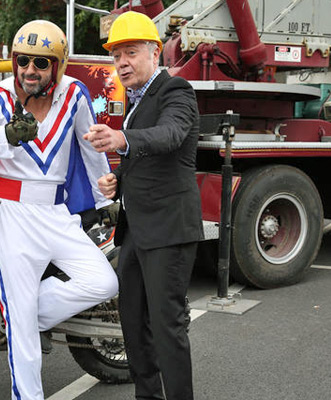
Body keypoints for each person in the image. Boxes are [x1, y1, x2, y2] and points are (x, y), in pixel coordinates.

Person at [0, 20, 118, 400]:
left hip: (56, 213)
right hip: (10, 215)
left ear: (56, 66)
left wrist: (106, 197)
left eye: (41, 63)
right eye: (23, 60)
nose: (30, 70)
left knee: (104, 282)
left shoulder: (74, 94)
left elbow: (91, 149)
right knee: (22, 327)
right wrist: (4, 136)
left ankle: (17, 317)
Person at [83, 11, 202, 400]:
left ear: (154, 52)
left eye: (130, 53)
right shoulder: (136, 102)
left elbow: (170, 135)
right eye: (117, 56)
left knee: (167, 327)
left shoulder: (176, 90)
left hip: (168, 230)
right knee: (133, 326)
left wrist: (121, 140)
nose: (121, 63)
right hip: (136, 231)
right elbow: (145, 159)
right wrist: (116, 183)